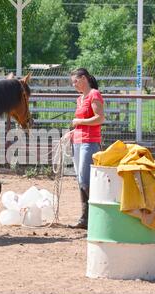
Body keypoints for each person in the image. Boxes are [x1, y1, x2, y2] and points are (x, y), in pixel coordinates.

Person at [66, 68, 105, 229]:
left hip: (90, 142)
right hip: (78, 141)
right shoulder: (80, 99)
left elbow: (99, 118)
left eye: (75, 81)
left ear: (84, 79)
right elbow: (82, 122)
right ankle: (86, 218)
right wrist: (72, 132)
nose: (74, 84)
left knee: (85, 179)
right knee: (81, 180)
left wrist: (79, 123)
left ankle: (100, 215)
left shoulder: (94, 94)